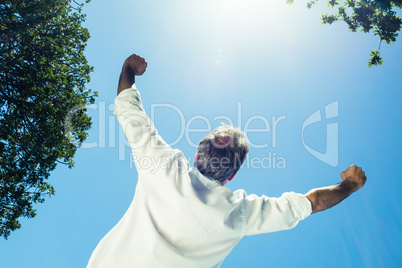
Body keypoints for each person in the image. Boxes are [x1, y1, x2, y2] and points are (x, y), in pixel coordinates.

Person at [87, 54, 367, 268]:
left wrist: (128, 68)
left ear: (196, 155)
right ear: (231, 176)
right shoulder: (239, 214)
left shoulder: (162, 166)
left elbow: (128, 110)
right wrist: (350, 185)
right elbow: (312, 203)